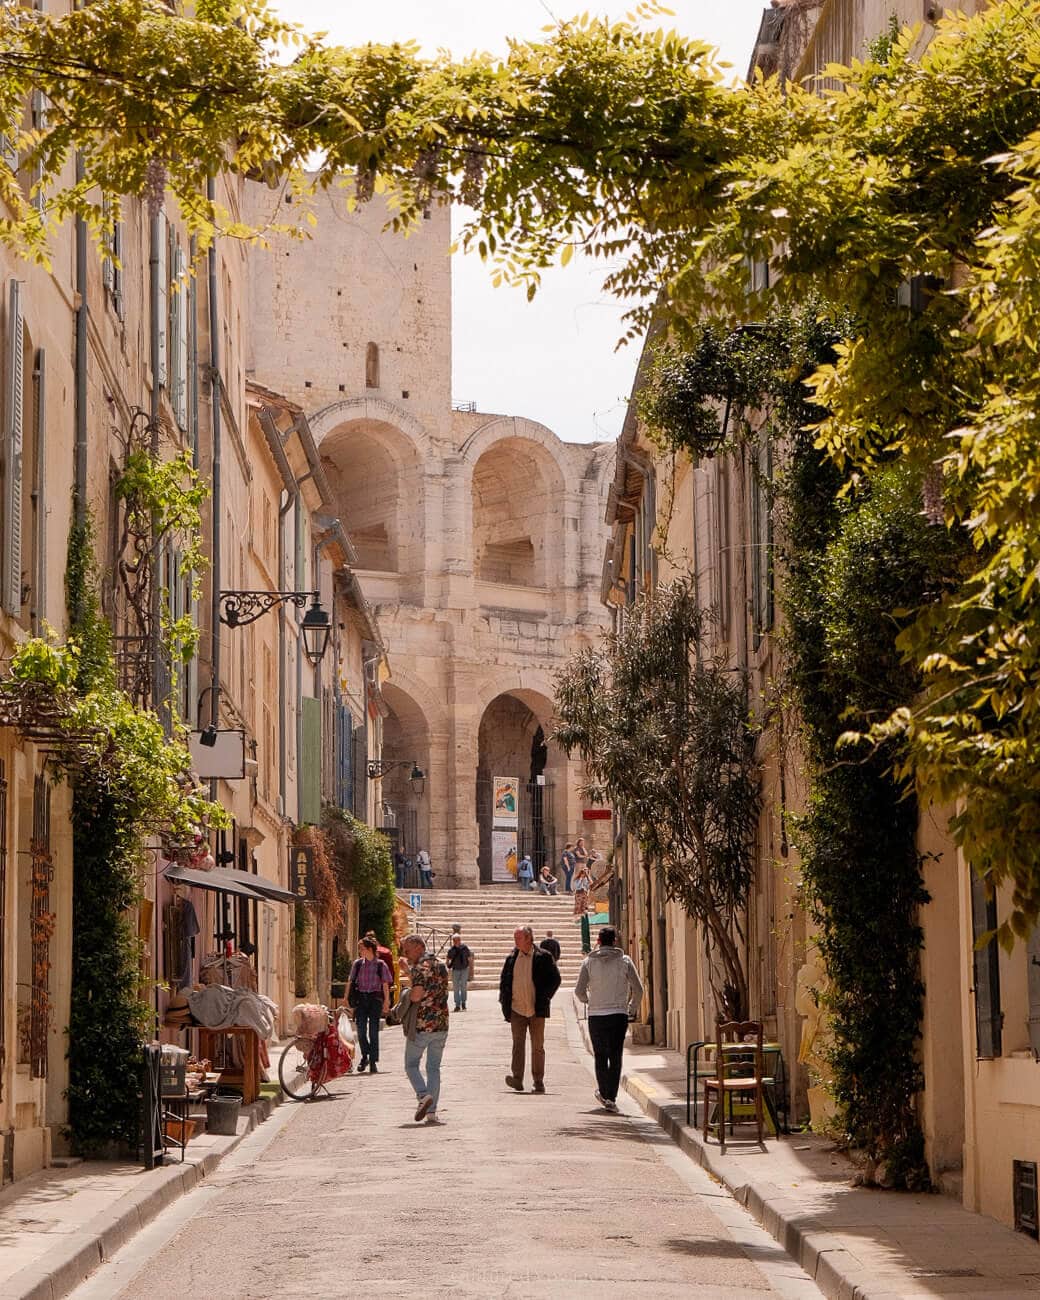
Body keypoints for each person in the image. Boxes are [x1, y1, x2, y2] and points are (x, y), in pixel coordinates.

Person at [574, 926, 644, 1113]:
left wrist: (590, 1001)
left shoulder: (588, 962)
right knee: (615, 1056)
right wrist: (631, 1008)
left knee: (600, 1056)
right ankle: (611, 1097)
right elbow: (638, 989)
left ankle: (604, 1093)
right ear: (614, 941)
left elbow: (579, 991)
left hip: (597, 1016)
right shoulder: (625, 961)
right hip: (618, 1015)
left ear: (598, 940)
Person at [499, 925, 561, 1094]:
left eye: (518, 938)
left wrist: (546, 997)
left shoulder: (544, 957)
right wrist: (504, 1001)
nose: (515, 941)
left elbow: (556, 979)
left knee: (537, 1046)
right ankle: (517, 1079)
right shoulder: (511, 958)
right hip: (517, 1008)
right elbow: (504, 981)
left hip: (536, 1010)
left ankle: (538, 1081)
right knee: (517, 1045)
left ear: (528, 938)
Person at [400, 933, 450, 1124]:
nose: (406, 953)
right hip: (442, 1024)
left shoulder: (420, 968)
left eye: (408, 950)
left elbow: (416, 995)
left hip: (422, 1025)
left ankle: (423, 1096)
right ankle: (432, 1112)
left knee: (411, 1064)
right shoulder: (440, 965)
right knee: (434, 1068)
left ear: (419, 947)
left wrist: (407, 992)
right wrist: (409, 971)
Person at [349, 936, 392, 1074]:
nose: (360, 951)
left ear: (369, 949)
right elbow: (350, 982)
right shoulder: (357, 964)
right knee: (361, 1031)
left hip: (375, 999)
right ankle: (365, 1056)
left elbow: (385, 984)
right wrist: (346, 999)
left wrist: (386, 1001)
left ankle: (372, 1061)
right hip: (361, 999)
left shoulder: (380, 965)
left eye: (361, 948)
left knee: (373, 1032)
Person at [445, 932, 474, 1011]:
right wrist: (447, 967)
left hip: (464, 969)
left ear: (460, 940)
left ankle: (463, 1002)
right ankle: (457, 1004)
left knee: (463, 987)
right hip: (455, 970)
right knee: (456, 988)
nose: (456, 941)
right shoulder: (451, 950)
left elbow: (469, 958)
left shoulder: (465, 948)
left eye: (457, 940)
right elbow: (447, 959)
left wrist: (470, 970)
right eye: (454, 940)